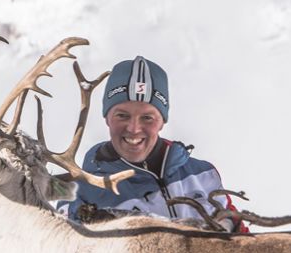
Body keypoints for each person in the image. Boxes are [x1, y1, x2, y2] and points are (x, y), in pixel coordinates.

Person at [63, 55, 245, 232]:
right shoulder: (80, 193)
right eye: (122, 115)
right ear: (107, 118)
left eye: (147, 117)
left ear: (162, 121)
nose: (134, 129)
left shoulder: (203, 174)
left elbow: (241, 238)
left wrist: (228, 224)